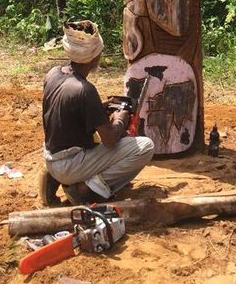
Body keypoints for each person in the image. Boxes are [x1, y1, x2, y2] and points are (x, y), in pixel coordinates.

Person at [38, 20, 155, 206]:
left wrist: (100, 107)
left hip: (52, 157)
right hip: (70, 164)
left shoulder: (53, 74)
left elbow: (66, 113)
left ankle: (55, 180)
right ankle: (87, 189)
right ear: (95, 57)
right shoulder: (85, 90)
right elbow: (109, 139)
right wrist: (121, 120)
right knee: (146, 146)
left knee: (90, 140)